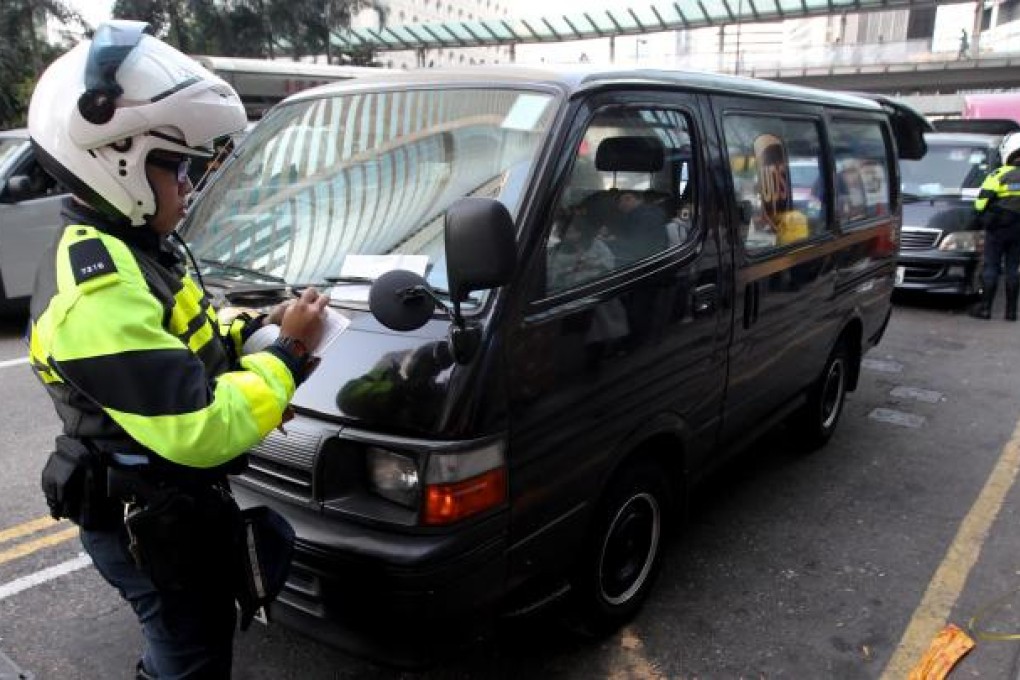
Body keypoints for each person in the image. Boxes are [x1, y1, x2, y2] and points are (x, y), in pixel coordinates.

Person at [26, 21, 327, 679]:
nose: (189, 185)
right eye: (177, 167)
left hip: (169, 505)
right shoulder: (95, 289)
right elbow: (197, 427)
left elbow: (195, 337)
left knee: (187, 643)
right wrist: (290, 359)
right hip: (145, 519)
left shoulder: (131, 249)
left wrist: (257, 332)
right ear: (120, 161)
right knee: (189, 653)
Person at [969, 133, 1020, 321]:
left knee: (991, 266)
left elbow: (980, 203)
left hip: (998, 228)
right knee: (1013, 268)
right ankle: (1011, 312)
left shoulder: (998, 175)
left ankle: (985, 309)